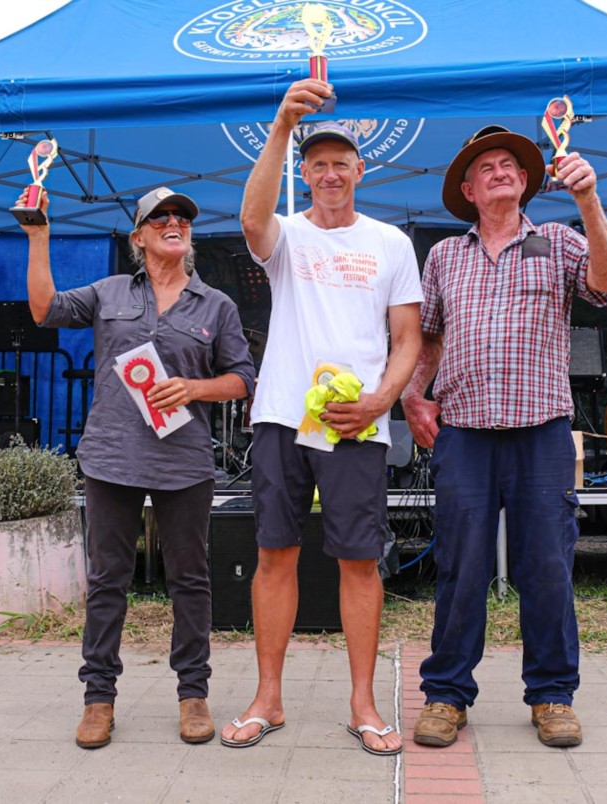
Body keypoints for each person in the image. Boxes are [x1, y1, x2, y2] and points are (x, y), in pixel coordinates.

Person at [401, 126, 607, 749]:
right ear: (469, 191)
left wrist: (588, 200)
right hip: (465, 432)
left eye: (509, 164)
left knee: (548, 566)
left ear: (526, 181)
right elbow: (430, 336)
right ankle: (446, 694)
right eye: (486, 168)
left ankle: (553, 695)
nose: (499, 171)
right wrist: (414, 394)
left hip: (542, 430)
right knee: (459, 567)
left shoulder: (559, 240)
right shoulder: (444, 256)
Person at [219, 79, 422, 757]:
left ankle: (363, 704)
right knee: (273, 555)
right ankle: (267, 699)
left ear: (361, 170)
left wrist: (381, 401)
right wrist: (282, 125)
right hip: (282, 415)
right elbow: (251, 220)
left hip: (356, 424)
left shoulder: (391, 242)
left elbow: (408, 339)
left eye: (341, 163)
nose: (330, 173)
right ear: (302, 174)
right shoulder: (288, 235)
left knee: (360, 562)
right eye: (317, 164)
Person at [21, 186, 256, 749]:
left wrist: (195, 388)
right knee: (108, 580)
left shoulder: (216, 305)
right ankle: (98, 698)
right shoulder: (107, 292)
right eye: (161, 218)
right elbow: (44, 309)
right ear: (139, 237)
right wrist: (38, 237)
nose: (174, 223)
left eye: (182, 218)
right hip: (111, 458)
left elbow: (244, 379)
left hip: (184, 463)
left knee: (190, 580)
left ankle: (193, 694)